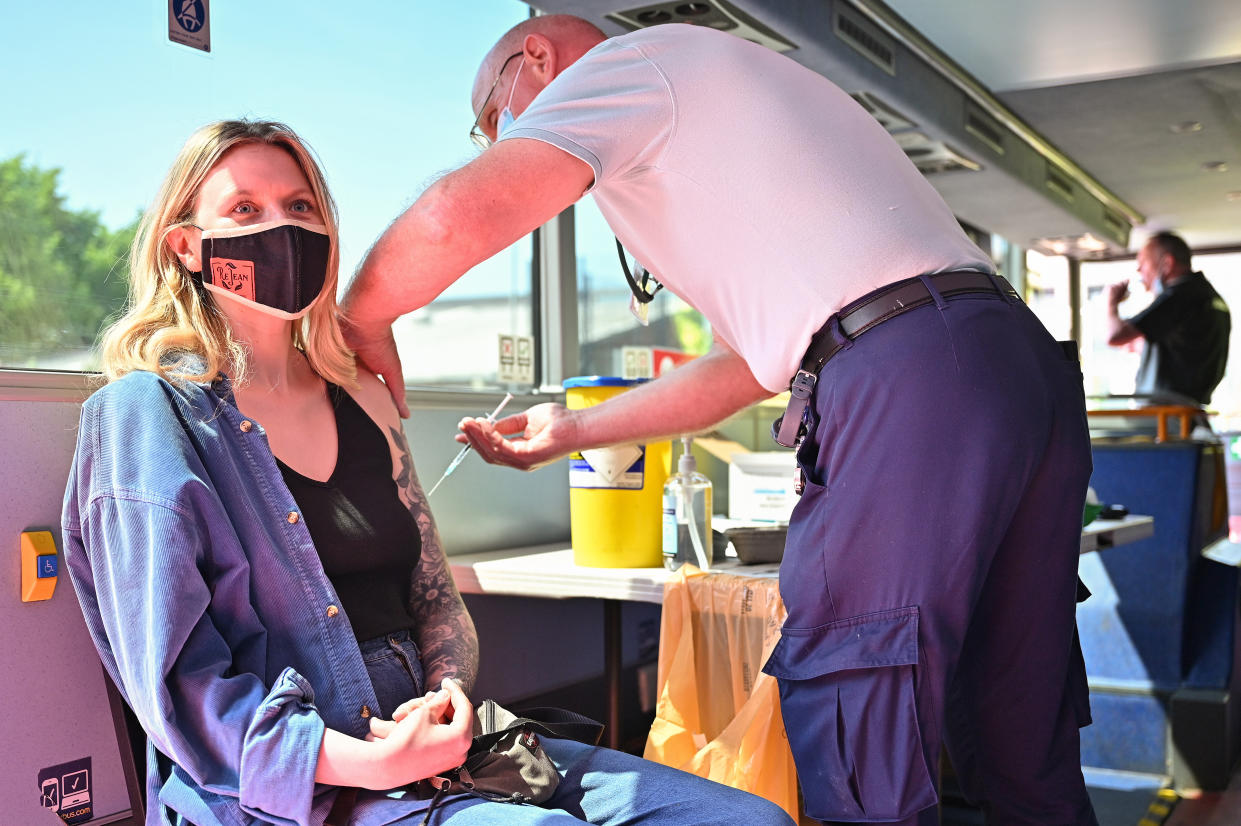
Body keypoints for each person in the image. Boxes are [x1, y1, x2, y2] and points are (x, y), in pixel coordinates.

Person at [342, 15, 1099, 826]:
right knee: (1015, 710)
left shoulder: (628, 65)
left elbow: (462, 213)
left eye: (494, 121)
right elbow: (745, 366)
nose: (504, 140)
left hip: (910, 379)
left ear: (536, 60)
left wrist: (359, 321)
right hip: (1009, 365)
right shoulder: (723, 102)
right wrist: (569, 432)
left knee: (859, 703)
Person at [61, 119, 794, 826]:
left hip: (448, 750)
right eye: (244, 209)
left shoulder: (365, 397)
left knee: (751, 816)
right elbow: (178, 684)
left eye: (300, 206)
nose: (280, 228)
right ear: (186, 246)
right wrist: (364, 763)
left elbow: (433, 593)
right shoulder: (145, 413)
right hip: (312, 786)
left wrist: (447, 695)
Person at [1107, 231, 1230, 406]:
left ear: (1167, 263)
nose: (1139, 270)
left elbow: (1115, 336)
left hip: (1166, 409)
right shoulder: (1208, 295)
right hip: (1190, 406)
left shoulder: (1180, 295)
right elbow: (1187, 346)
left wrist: (1110, 303)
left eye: (1143, 263)